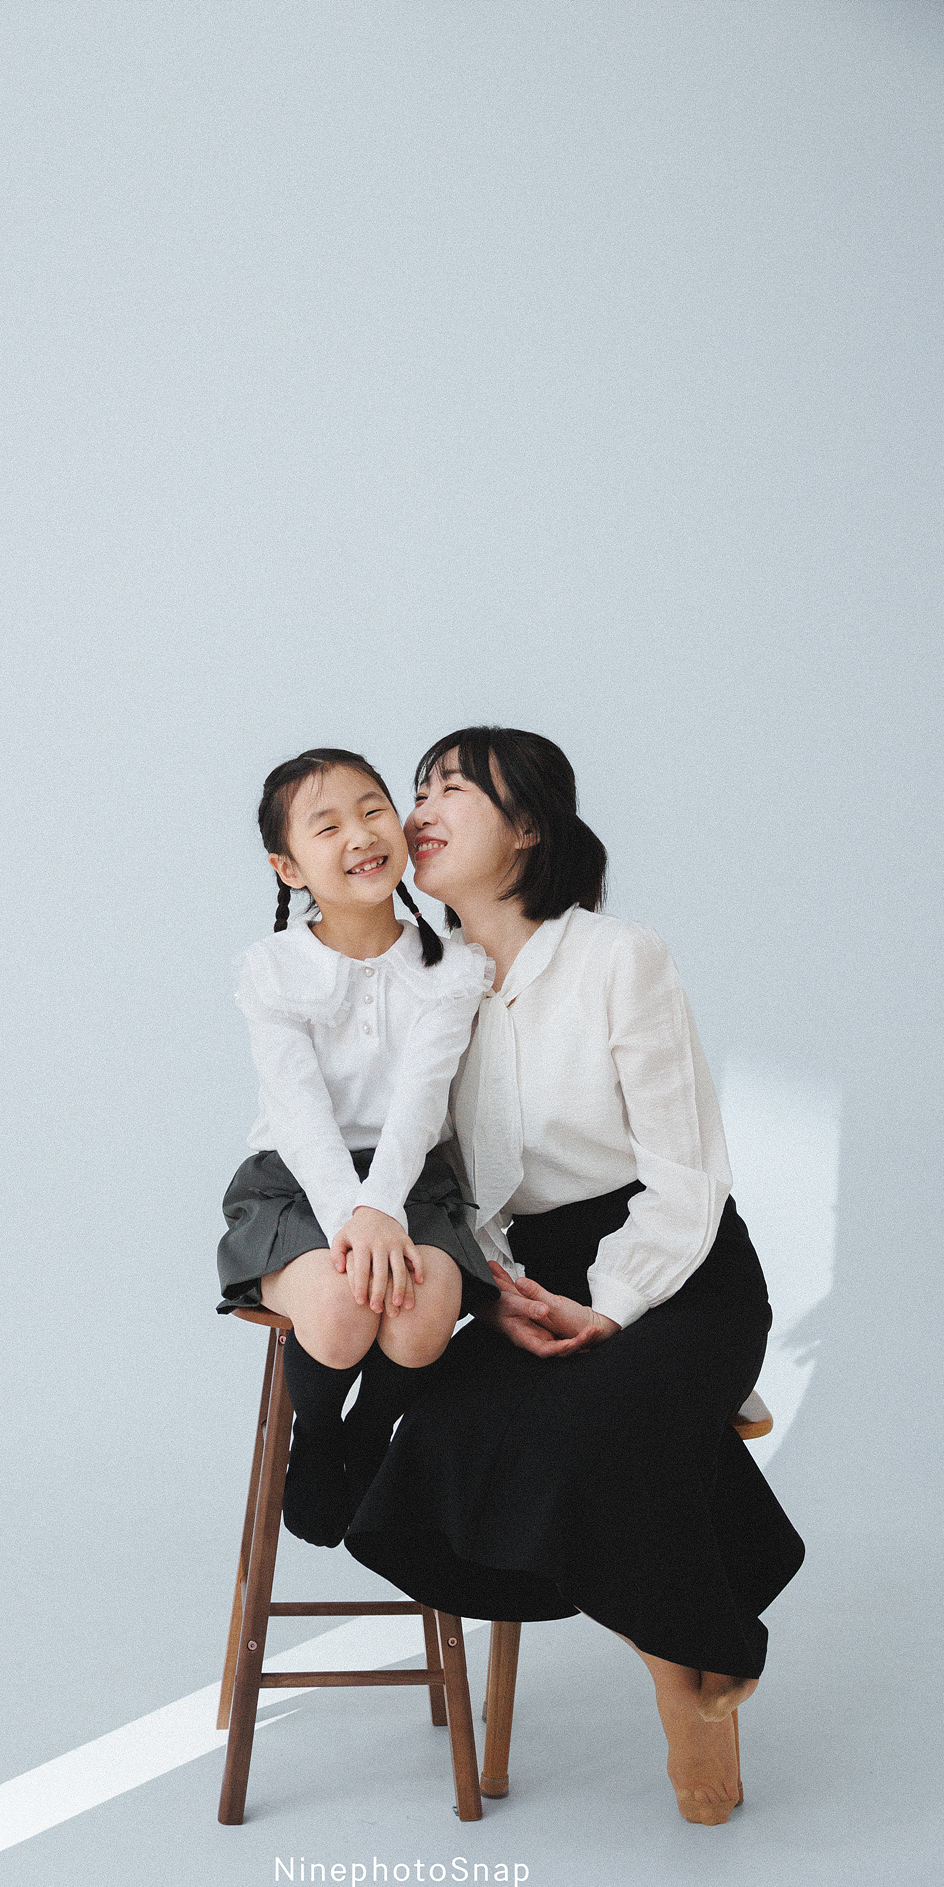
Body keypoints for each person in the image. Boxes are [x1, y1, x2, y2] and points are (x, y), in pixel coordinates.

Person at [346, 726, 805, 1826]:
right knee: (439, 1437)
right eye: (417, 788)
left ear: (527, 828)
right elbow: (443, 1185)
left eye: (451, 788)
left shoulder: (616, 958)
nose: (419, 808)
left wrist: (609, 1303)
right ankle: (696, 1644)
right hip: (524, 1280)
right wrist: (503, 1291)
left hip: (676, 1269)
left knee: (590, 1427)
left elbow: (687, 1176)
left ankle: (688, 1680)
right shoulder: (426, 985)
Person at [216, 747, 498, 1549]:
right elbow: (299, 1112)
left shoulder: (452, 968)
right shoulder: (272, 969)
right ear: (288, 867)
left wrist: (382, 1209)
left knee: (419, 1319)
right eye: (328, 826)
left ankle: (368, 1435)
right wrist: (353, 1216)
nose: (362, 835)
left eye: (374, 810)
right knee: (342, 1314)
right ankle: (319, 1439)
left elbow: (421, 1104)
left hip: (412, 1183)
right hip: (297, 1183)